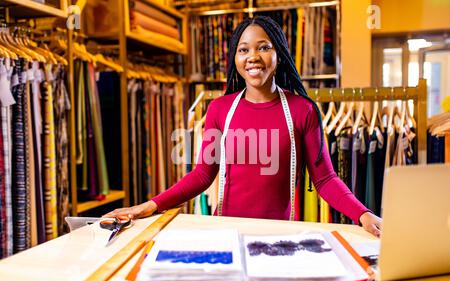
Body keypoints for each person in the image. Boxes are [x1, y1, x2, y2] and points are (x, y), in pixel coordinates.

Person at [103, 16, 382, 237]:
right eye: (243, 49)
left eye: (264, 47)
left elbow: (324, 180)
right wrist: (149, 206)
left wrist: (363, 214)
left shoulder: (303, 110)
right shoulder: (219, 110)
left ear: (279, 55)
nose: (253, 56)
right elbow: (202, 175)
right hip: (225, 233)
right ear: (235, 59)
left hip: (278, 237)